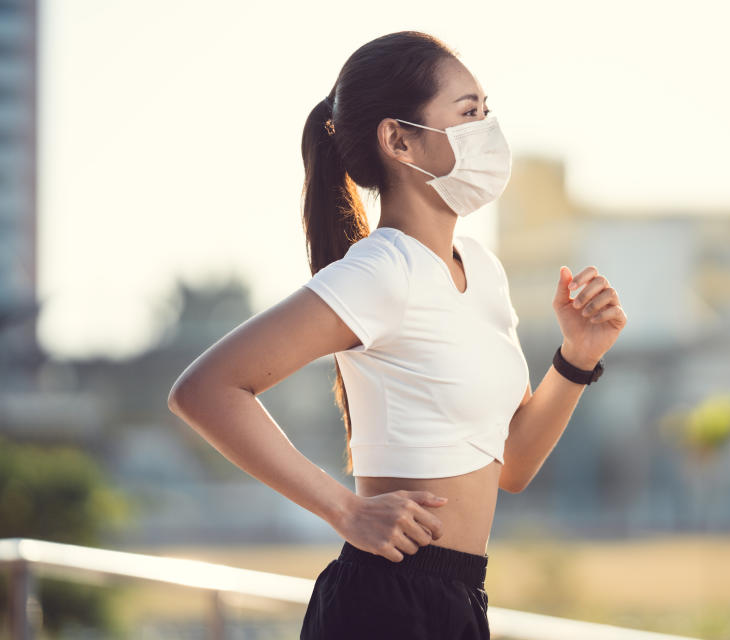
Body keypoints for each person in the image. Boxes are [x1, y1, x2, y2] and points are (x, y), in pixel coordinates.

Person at [167, 30, 627, 640]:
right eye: (468, 114)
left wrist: (576, 359)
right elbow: (204, 390)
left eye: (488, 113)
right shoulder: (382, 270)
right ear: (399, 139)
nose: (488, 132)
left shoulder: (483, 270)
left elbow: (511, 463)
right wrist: (345, 510)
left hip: (459, 598)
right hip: (386, 603)